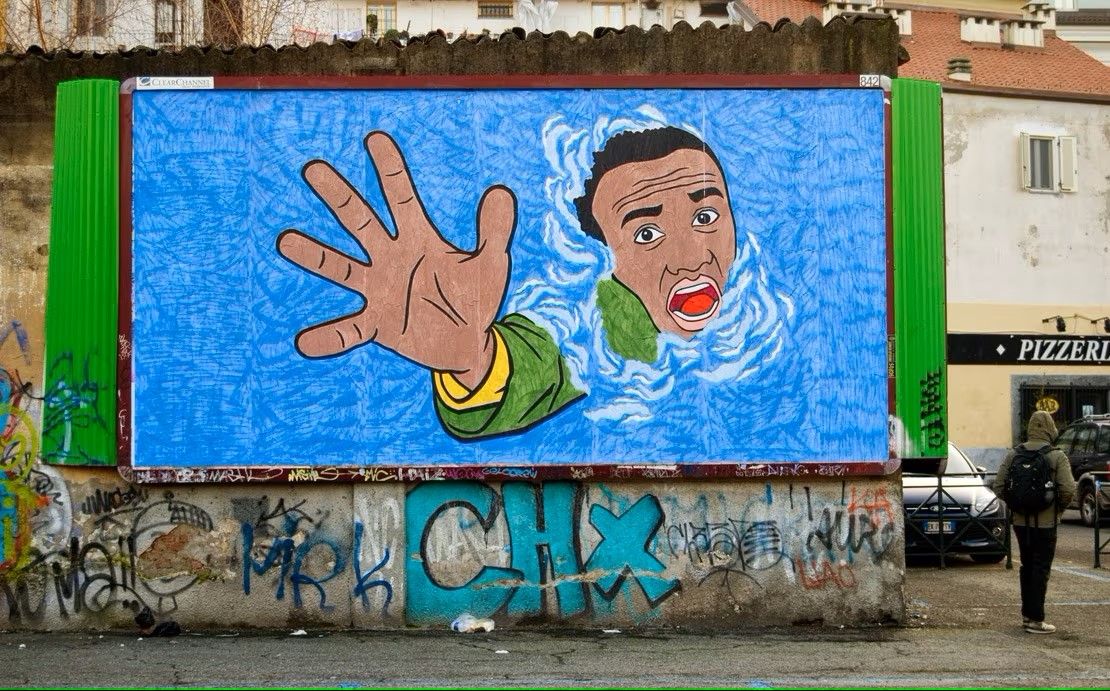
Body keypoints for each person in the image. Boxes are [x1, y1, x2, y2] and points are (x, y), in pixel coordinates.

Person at [277, 127, 737, 439]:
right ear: (605, 257)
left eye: (705, 216)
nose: (689, 258)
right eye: (646, 234)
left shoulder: (762, 308)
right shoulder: (594, 332)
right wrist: (472, 361)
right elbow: (538, 362)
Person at [991, 410, 1076, 634]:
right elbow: (1068, 489)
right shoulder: (1056, 456)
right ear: (1050, 429)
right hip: (1046, 523)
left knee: (1026, 566)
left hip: (1020, 522)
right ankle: (1036, 620)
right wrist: (1057, 509)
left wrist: (1017, 504)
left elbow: (998, 486)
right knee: (1041, 568)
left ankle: (1027, 616)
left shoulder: (1014, 454)